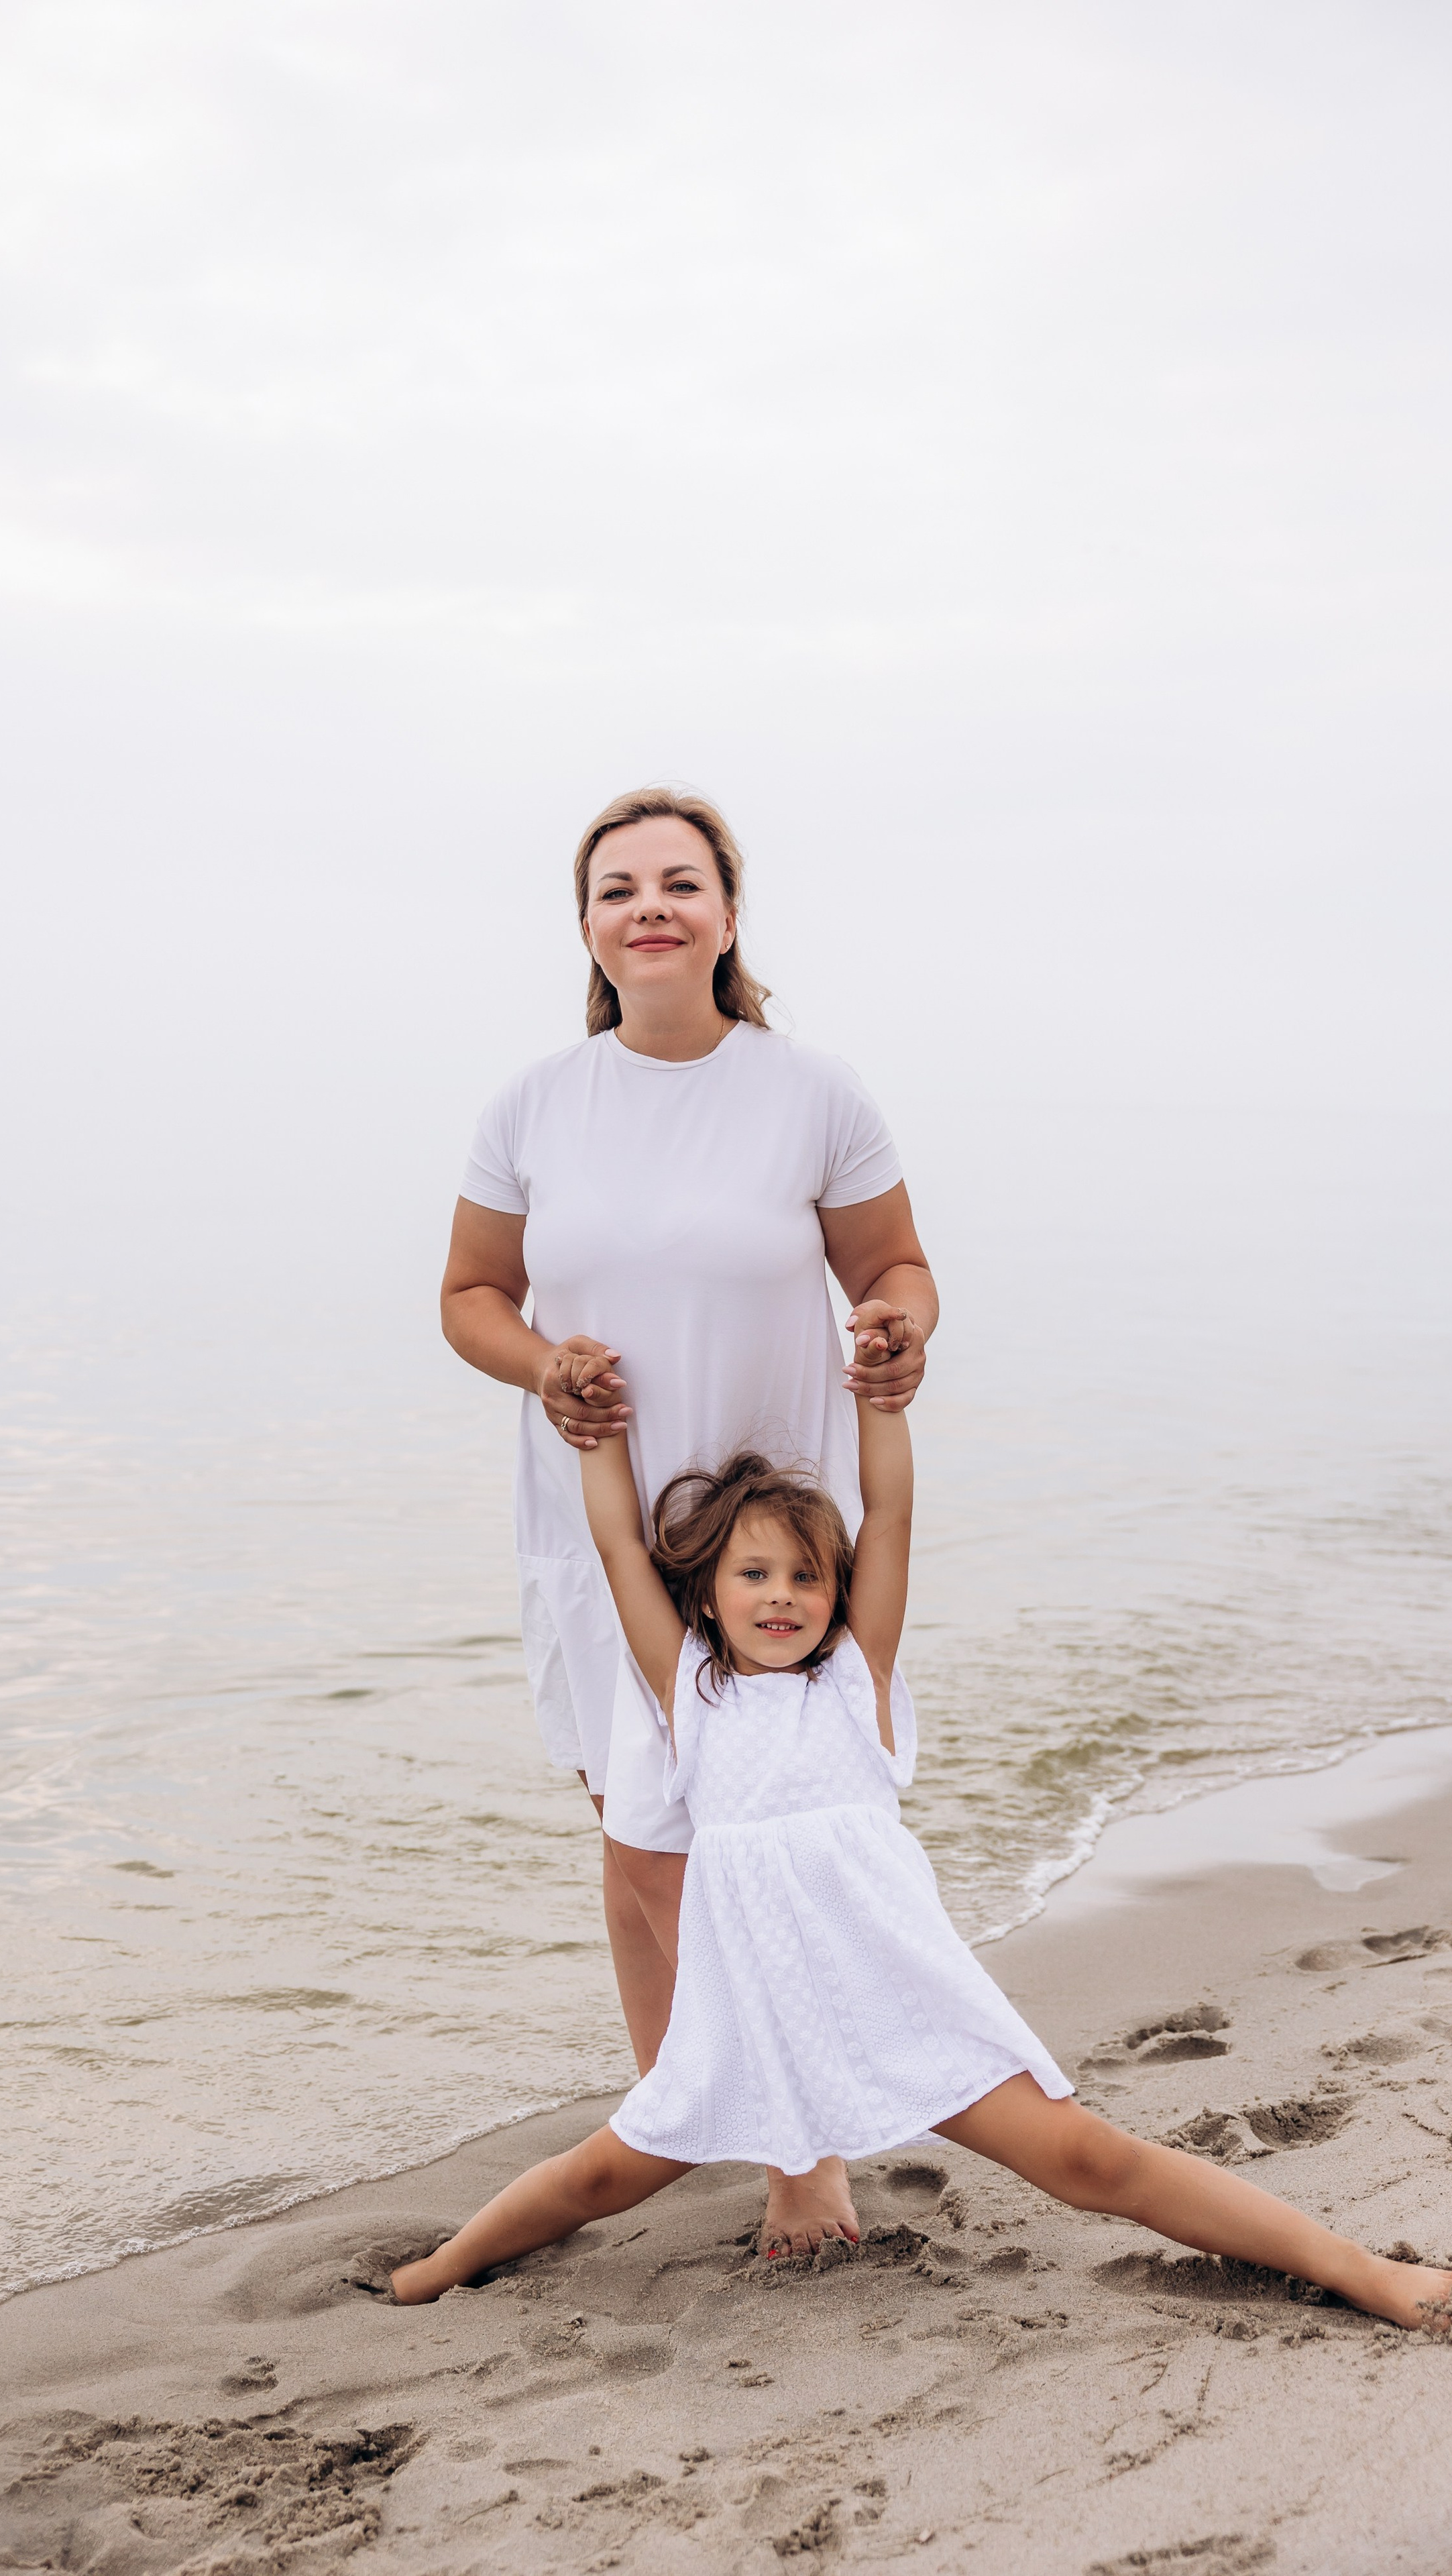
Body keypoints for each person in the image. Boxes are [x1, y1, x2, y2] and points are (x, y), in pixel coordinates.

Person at [390, 1372, 1452, 2335]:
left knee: (1087, 2157)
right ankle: (432, 2274)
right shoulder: (691, 1699)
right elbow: (620, 1546)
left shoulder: (857, 1683)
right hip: (750, 2025)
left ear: (837, 1593)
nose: (781, 1594)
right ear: (707, 1594)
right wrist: (599, 1438)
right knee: (598, 2179)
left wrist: (880, 1402)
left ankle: (1361, 2271)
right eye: (753, 1573)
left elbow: (893, 1511)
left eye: (806, 1576)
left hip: (898, 2006)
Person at [440, 786, 936, 2255]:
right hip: (598, 1512)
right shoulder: (534, 1104)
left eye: (677, 883)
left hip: (765, 1536)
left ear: (725, 916)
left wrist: (899, 1331)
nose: (647, 906)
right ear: (588, 928)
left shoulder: (813, 1093)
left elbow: (894, 1268)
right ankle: (676, 2105)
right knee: (636, 1840)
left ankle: (800, 2151)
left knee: (752, 1839)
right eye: (617, 889)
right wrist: (544, 1364)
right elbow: (471, 1298)